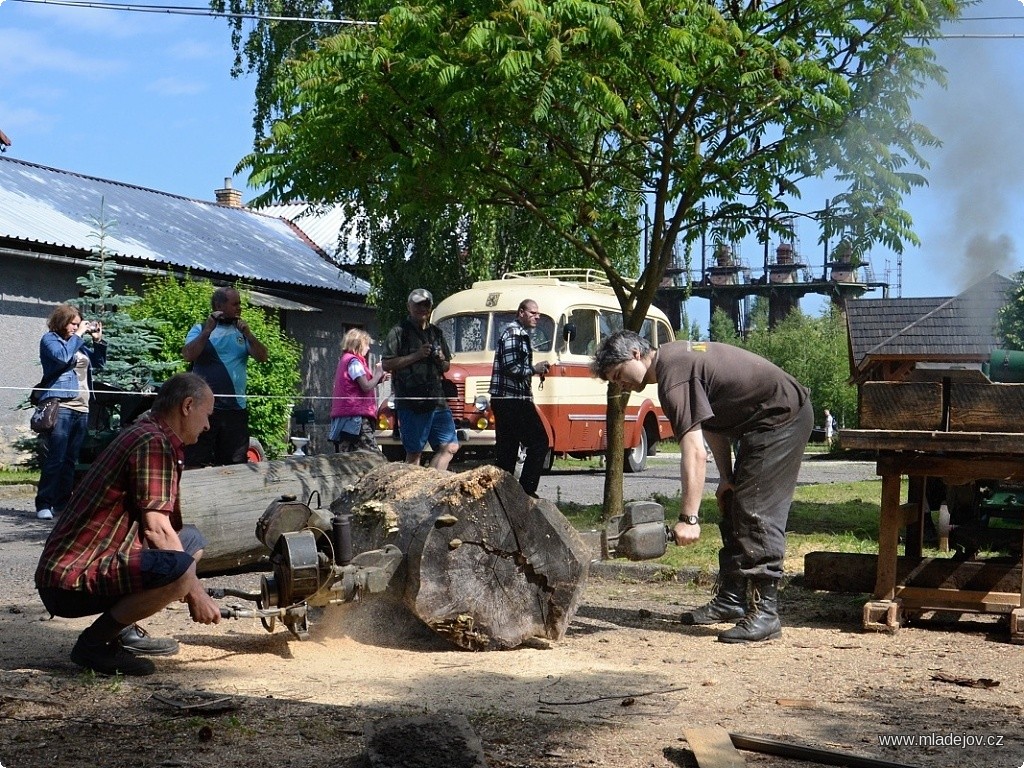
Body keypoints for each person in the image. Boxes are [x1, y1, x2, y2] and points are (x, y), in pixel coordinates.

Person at [592, 331, 813, 643]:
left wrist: (689, 519)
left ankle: (766, 614)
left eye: (618, 375)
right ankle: (731, 600)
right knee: (736, 502)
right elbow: (712, 426)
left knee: (756, 511)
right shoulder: (676, 362)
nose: (620, 384)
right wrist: (726, 478)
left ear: (634, 354)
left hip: (782, 419)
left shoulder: (673, 375)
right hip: (760, 423)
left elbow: (694, 451)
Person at [35, 373, 222, 676]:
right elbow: (157, 529)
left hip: (77, 568)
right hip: (68, 581)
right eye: (207, 415)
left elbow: (165, 532)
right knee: (179, 569)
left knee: (191, 541)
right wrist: (195, 591)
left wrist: (188, 582)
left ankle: (120, 628)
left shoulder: (150, 434)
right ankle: (94, 646)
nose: (208, 425)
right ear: (188, 406)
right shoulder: (153, 443)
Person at [34, 303, 107, 521]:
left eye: (79, 324)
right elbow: (63, 357)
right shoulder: (50, 340)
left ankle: (63, 505)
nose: (76, 328)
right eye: (73, 324)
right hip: (61, 404)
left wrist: (97, 342)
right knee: (56, 457)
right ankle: (44, 503)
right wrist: (81, 335)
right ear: (62, 322)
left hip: (82, 406)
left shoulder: (79, 344)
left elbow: (98, 364)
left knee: (70, 460)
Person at [181, 286, 268, 467]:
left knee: (235, 463)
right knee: (196, 461)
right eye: (235, 304)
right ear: (219, 305)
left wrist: (249, 335)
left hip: (235, 410)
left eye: (240, 304)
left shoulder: (242, 333)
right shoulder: (200, 329)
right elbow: (188, 355)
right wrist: (207, 332)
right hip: (203, 410)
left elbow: (262, 357)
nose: (239, 308)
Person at [381, 289, 459, 470]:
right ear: (409, 306)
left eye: (426, 304)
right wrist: (416, 356)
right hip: (412, 400)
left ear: (431, 307)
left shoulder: (436, 333)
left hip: (437, 399)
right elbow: (386, 364)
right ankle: (411, 493)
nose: (422, 308)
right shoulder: (399, 332)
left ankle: (432, 486)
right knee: (414, 453)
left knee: (450, 446)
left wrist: (440, 358)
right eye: (417, 304)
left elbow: (447, 366)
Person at [489, 299, 550, 497]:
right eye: (533, 313)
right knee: (539, 441)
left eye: (538, 313)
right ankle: (525, 492)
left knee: (507, 452)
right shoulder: (514, 333)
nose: (537, 317)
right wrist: (534, 369)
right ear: (521, 312)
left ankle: (503, 496)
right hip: (511, 399)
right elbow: (510, 366)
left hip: (509, 399)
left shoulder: (518, 334)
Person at [329, 328, 388, 452]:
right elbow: (365, 386)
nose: (368, 348)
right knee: (372, 456)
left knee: (349, 455)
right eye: (366, 344)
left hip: (346, 417)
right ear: (359, 344)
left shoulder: (345, 360)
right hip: (356, 418)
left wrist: (378, 380)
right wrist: (378, 374)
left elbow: (357, 386)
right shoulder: (354, 362)